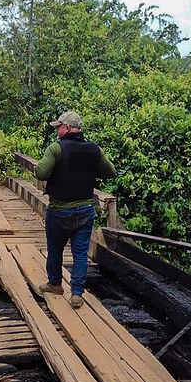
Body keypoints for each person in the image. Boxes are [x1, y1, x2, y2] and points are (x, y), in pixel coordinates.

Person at [34, 111, 116, 308]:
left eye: (59, 127)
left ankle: (55, 284)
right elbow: (111, 172)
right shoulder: (94, 150)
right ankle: (77, 294)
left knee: (55, 250)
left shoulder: (56, 148)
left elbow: (40, 172)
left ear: (68, 128)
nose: (56, 130)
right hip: (85, 210)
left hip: (60, 210)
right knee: (80, 254)